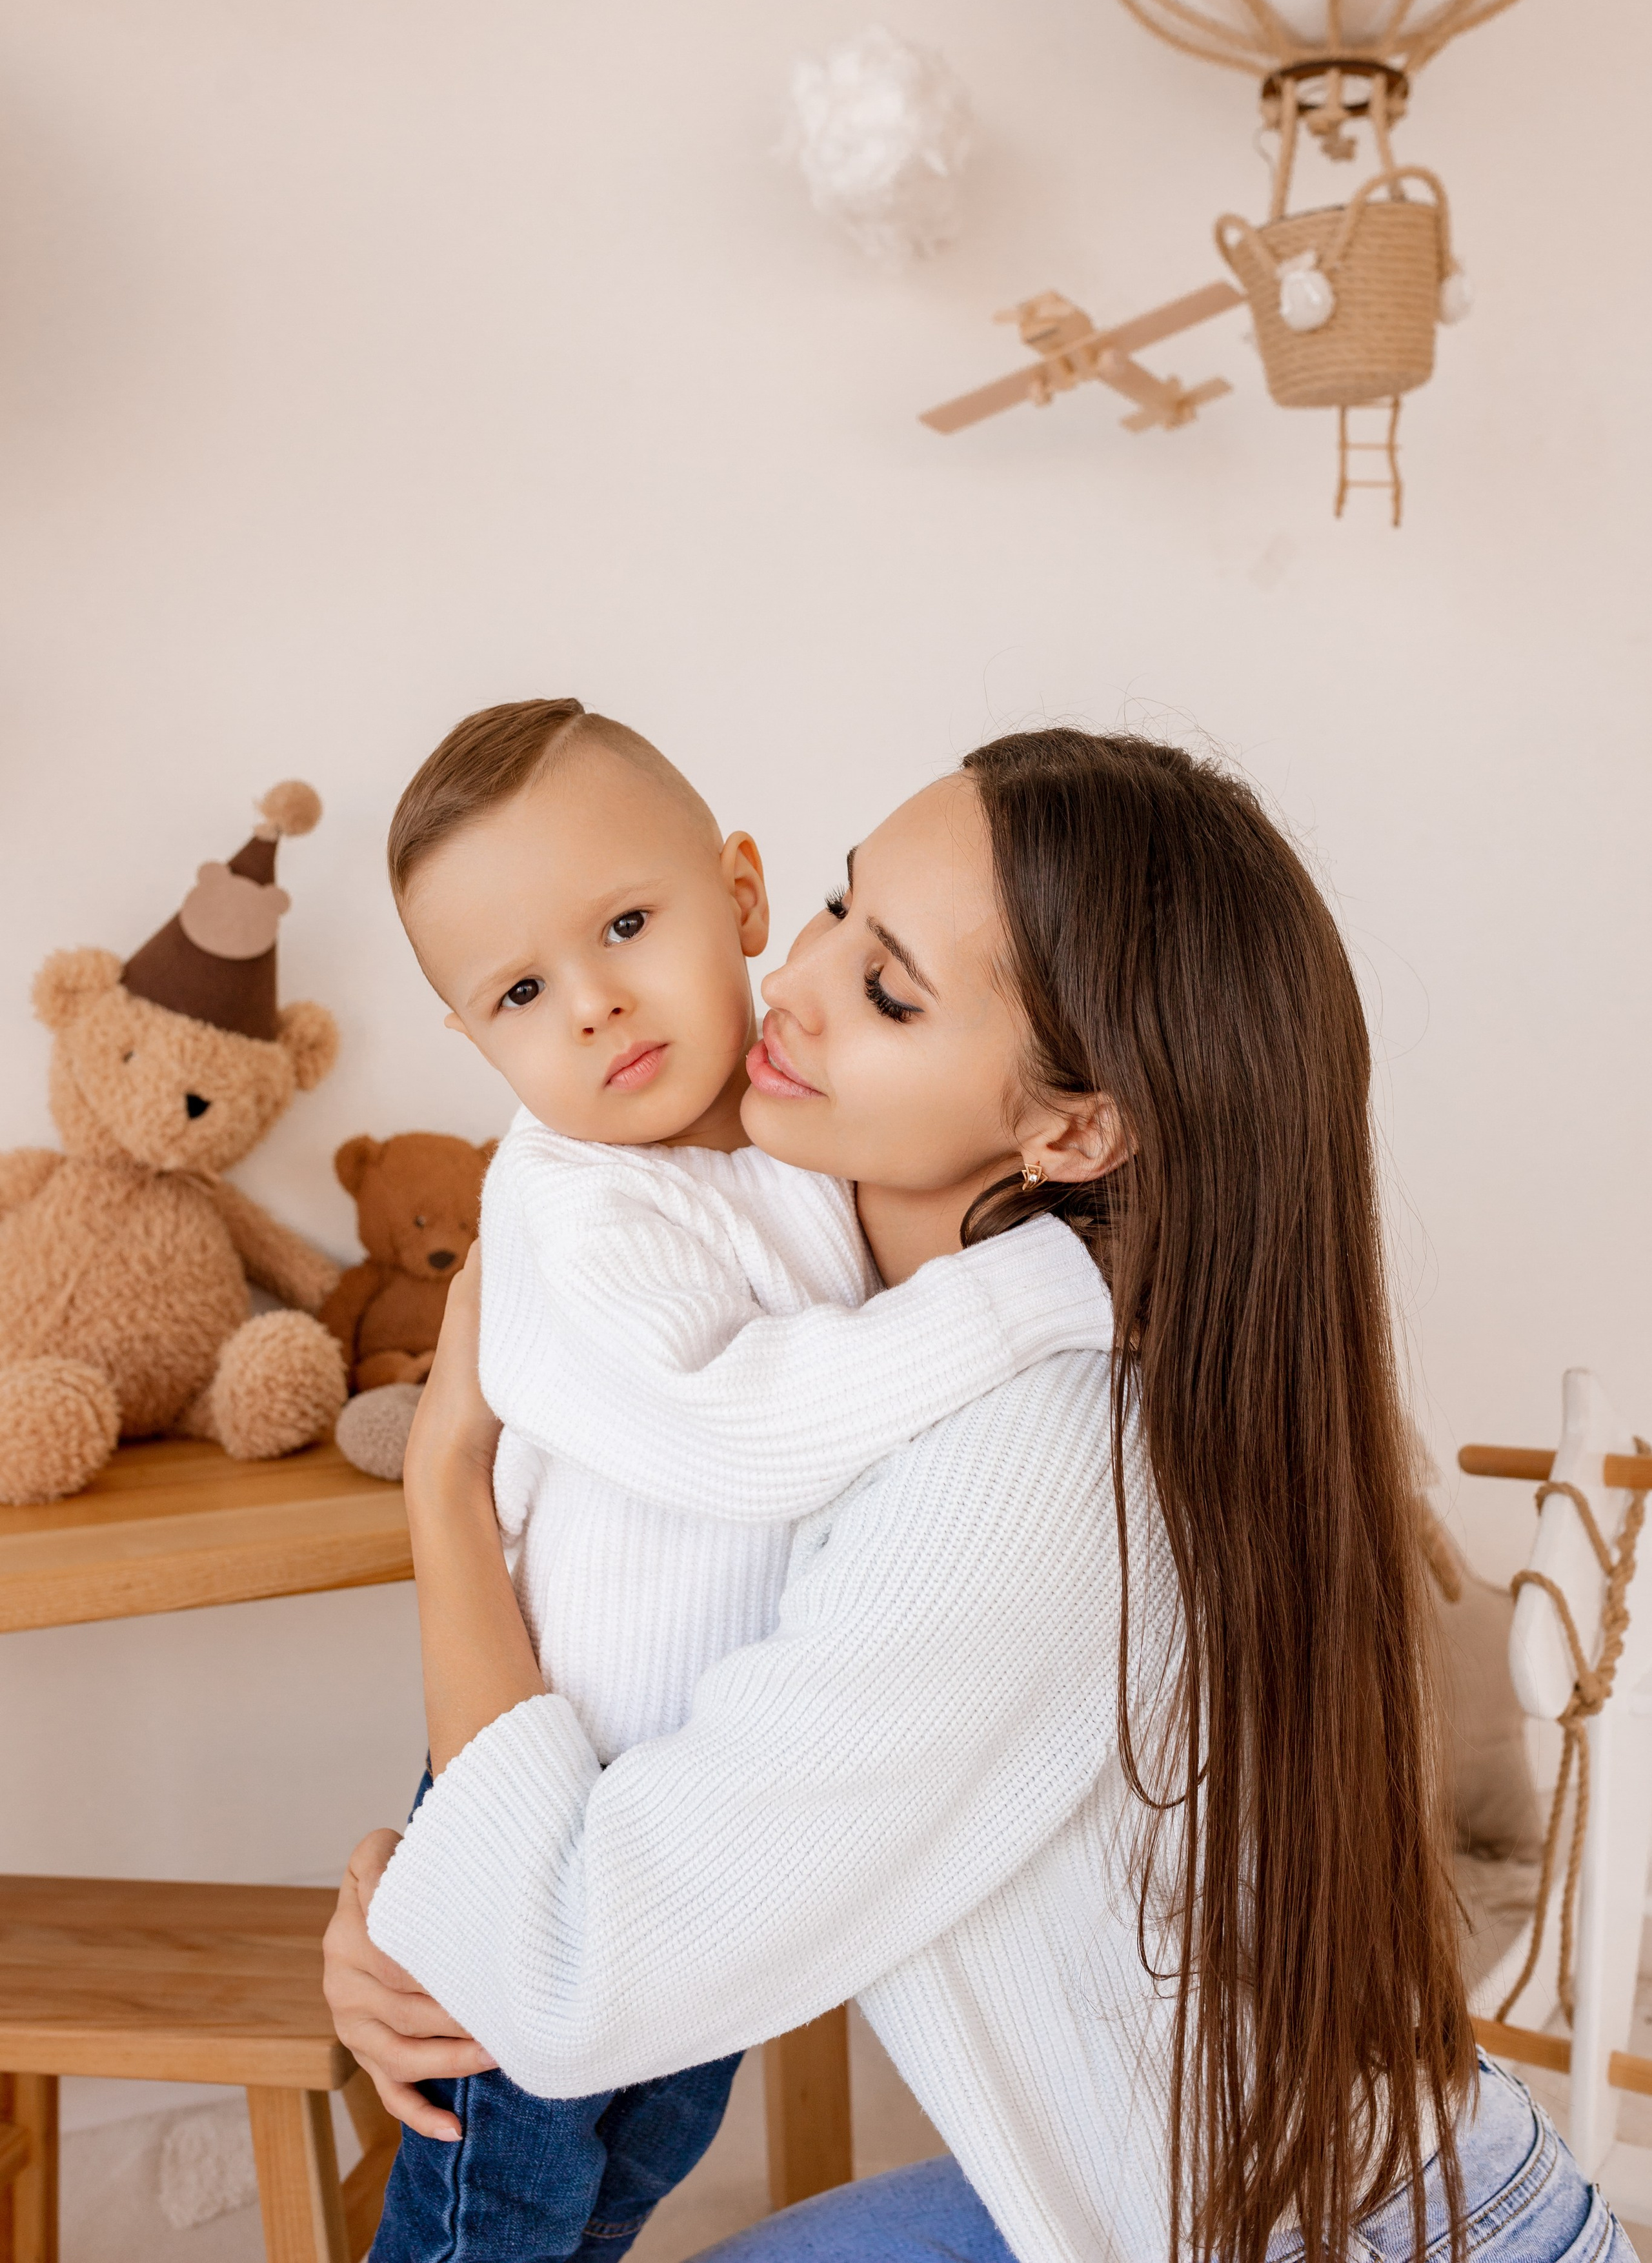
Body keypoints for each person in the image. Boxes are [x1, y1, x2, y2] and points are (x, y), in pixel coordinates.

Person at [327, 727, 1630, 2263]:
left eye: (887, 991)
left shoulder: (1026, 1467)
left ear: (1070, 1130)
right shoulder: (872, 1310)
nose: (792, 984)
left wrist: (446, 1477)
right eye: (836, 906)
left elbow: (562, 1980)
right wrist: (429, 1893)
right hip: (1249, 2182)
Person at [368, 698, 1111, 2261]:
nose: (592, 1006)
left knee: (622, 2182)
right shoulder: (571, 1204)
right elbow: (738, 1433)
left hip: (681, 1818)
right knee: (488, 2219)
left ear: (740, 894)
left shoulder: (797, 1154)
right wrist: (1034, 1290)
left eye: (625, 926)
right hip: (549, 1780)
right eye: (520, 993)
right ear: (475, 1040)